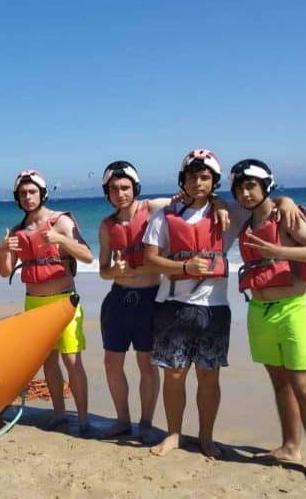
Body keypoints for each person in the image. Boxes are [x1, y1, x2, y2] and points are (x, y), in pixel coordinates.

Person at [143, 149, 300, 458]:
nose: (198, 183)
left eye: (205, 178)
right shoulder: (166, 215)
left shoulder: (231, 212)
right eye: (192, 177)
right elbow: (150, 259)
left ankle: (206, 438)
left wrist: (287, 201)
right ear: (183, 180)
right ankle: (173, 434)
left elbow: (264, 203)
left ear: (214, 182)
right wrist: (184, 267)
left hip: (213, 309)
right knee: (173, 375)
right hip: (172, 305)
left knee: (208, 376)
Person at [230, 159, 306, 485]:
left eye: (251, 186)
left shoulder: (286, 216)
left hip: (294, 309)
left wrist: (280, 250)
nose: (245, 194)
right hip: (260, 311)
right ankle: (290, 446)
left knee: (303, 385)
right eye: (239, 188)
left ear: (266, 186)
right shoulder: (246, 221)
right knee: (280, 384)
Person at [0, 169, 94, 435]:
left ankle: (83, 420)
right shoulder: (17, 231)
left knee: (72, 360)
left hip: (64, 302)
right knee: (49, 362)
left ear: (42, 194)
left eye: (32, 192)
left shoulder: (60, 222)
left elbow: (87, 255)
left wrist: (61, 239)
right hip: (35, 303)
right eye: (23, 193)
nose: (27, 197)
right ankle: (59, 415)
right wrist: (2, 250)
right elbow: (5, 271)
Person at [97, 161, 175, 443]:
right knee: (111, 363)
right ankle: (122, 419)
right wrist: (114, 271)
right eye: (114, 189)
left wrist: (284, 202)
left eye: (125, 187)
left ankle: (145, 423)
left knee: (147, 364)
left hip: (150, 299)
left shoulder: (153, 208)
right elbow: (102, 270)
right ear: (107, 193)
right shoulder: (107, 226)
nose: (120, 193)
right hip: (118, 300)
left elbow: (194, 198)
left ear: (135, 188)